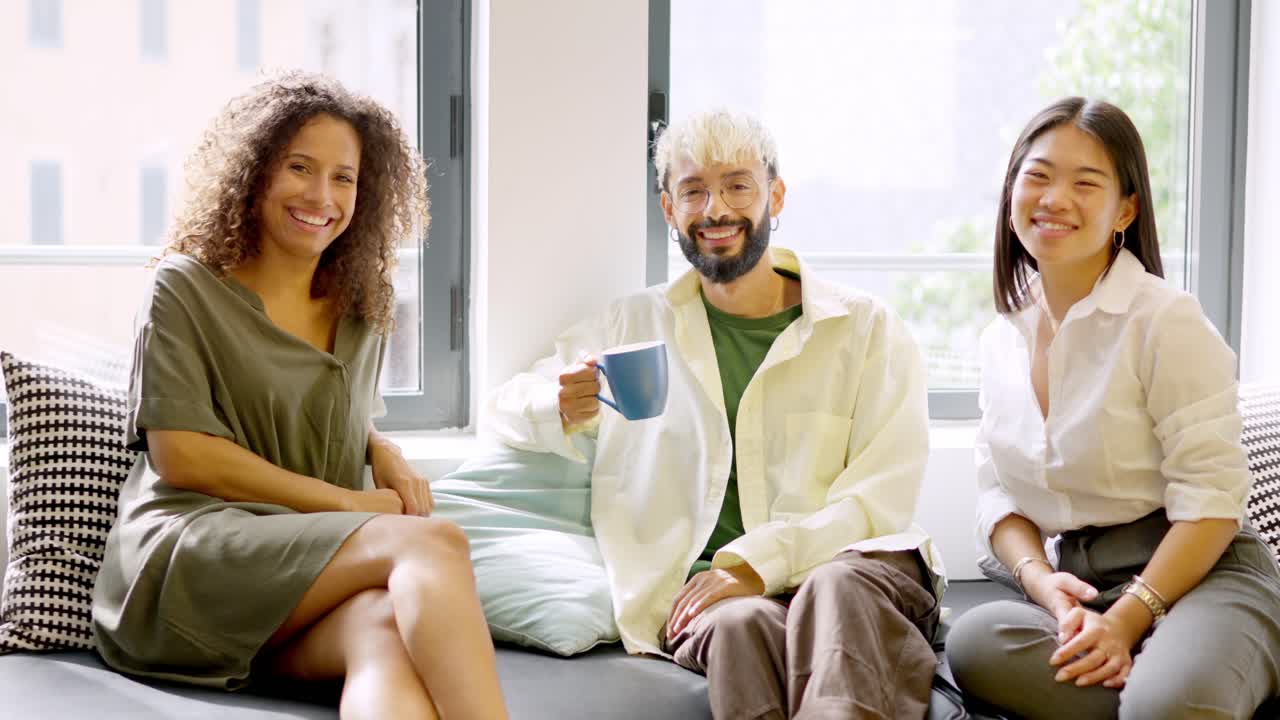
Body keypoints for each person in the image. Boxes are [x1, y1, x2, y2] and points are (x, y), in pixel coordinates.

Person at [485, 109, 946, 720]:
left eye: (737, 185)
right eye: (693, 190)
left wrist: (759, 565)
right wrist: (558, 404)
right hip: (715, 600)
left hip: (851, 571)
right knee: (737, 626)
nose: (715, 210)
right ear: (668, 209)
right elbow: (506, 407)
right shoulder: (632, 327)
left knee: (831, 588)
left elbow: (878, 501)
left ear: (775, 196)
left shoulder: (865, 329)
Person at [91, 72, 509, 720]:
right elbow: (182, 455)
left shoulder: (361, 308)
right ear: (254, 171)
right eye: (300, 167)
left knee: (382, 631)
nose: (322, 195)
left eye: (344, 177)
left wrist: (380, 446)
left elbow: (309, 409)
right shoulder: (185, 288)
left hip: (299, 577)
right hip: (196, 559)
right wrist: (353, 505)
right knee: (433, 542)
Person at [945, 97, 1280, 719]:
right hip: (1085, 584)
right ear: (1012, 190)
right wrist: (1045, 587)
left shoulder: (1164, 320)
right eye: (1038, 176)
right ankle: (1181, 690)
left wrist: (1128, 621)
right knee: (975, 642)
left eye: (1085, 183)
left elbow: (1212, 503)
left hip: (1201, 570)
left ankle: (1187, 679)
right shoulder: (1001, 340)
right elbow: (999, 499)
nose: (1054, 198)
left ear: (1126, 208)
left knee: (1164, 705)